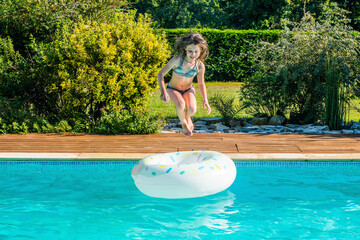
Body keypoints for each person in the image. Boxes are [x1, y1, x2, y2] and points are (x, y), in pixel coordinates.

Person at [158, 33, 211, 137]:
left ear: (200, 52)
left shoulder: (199, 66)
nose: (193, 54)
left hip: (188, 89)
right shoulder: (177, 60)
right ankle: (183, 123)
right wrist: (163, 91)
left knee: (192, 110)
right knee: (181, 104)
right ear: (185, 49)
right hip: (173, 89)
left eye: (196, 51)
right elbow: (161, 74)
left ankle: (187, 117)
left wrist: (205, 100)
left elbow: (201, 83)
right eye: (190, 51)